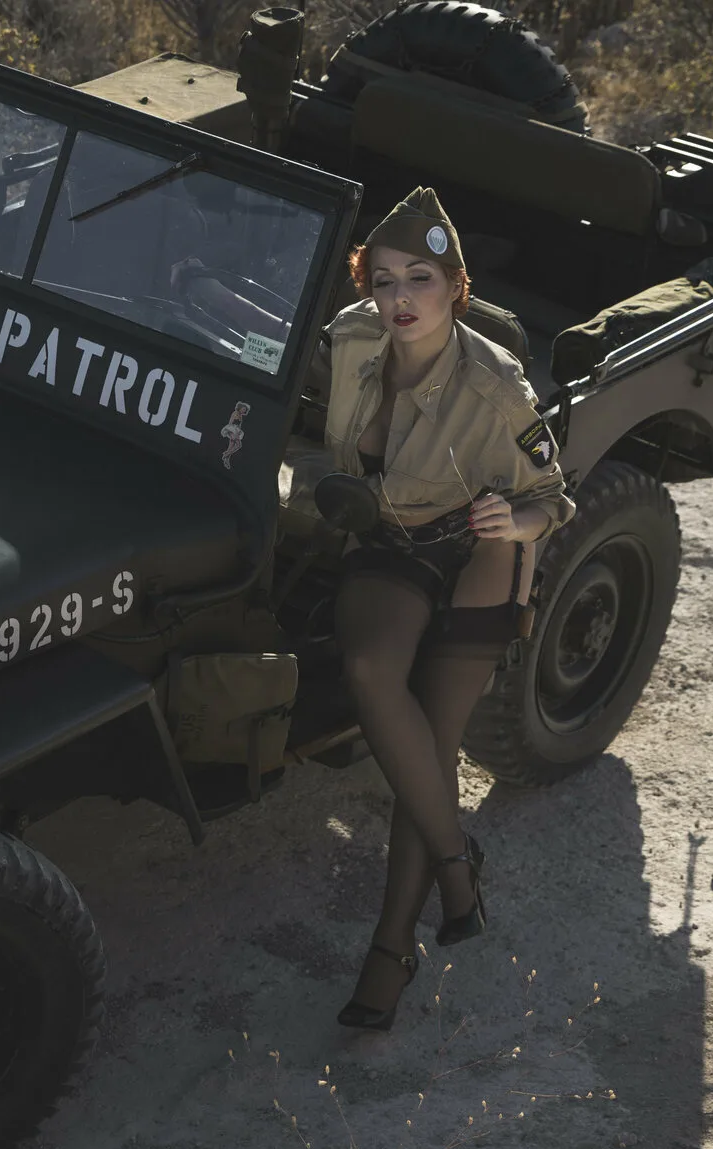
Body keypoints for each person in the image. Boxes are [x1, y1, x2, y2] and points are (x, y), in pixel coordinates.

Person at [202, 188, 576, 1031]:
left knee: (431, 740)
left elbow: (555, 494)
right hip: (391, 538)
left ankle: (391, 948)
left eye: (420, 279)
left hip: (478, 549)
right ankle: (456, 860)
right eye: (382, 280)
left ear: (456, 286)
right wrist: (201, 299)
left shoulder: (496, 382)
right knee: (372, 670)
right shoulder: (353, 337)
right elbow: (276, 358)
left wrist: (516, 519)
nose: (400, 298)